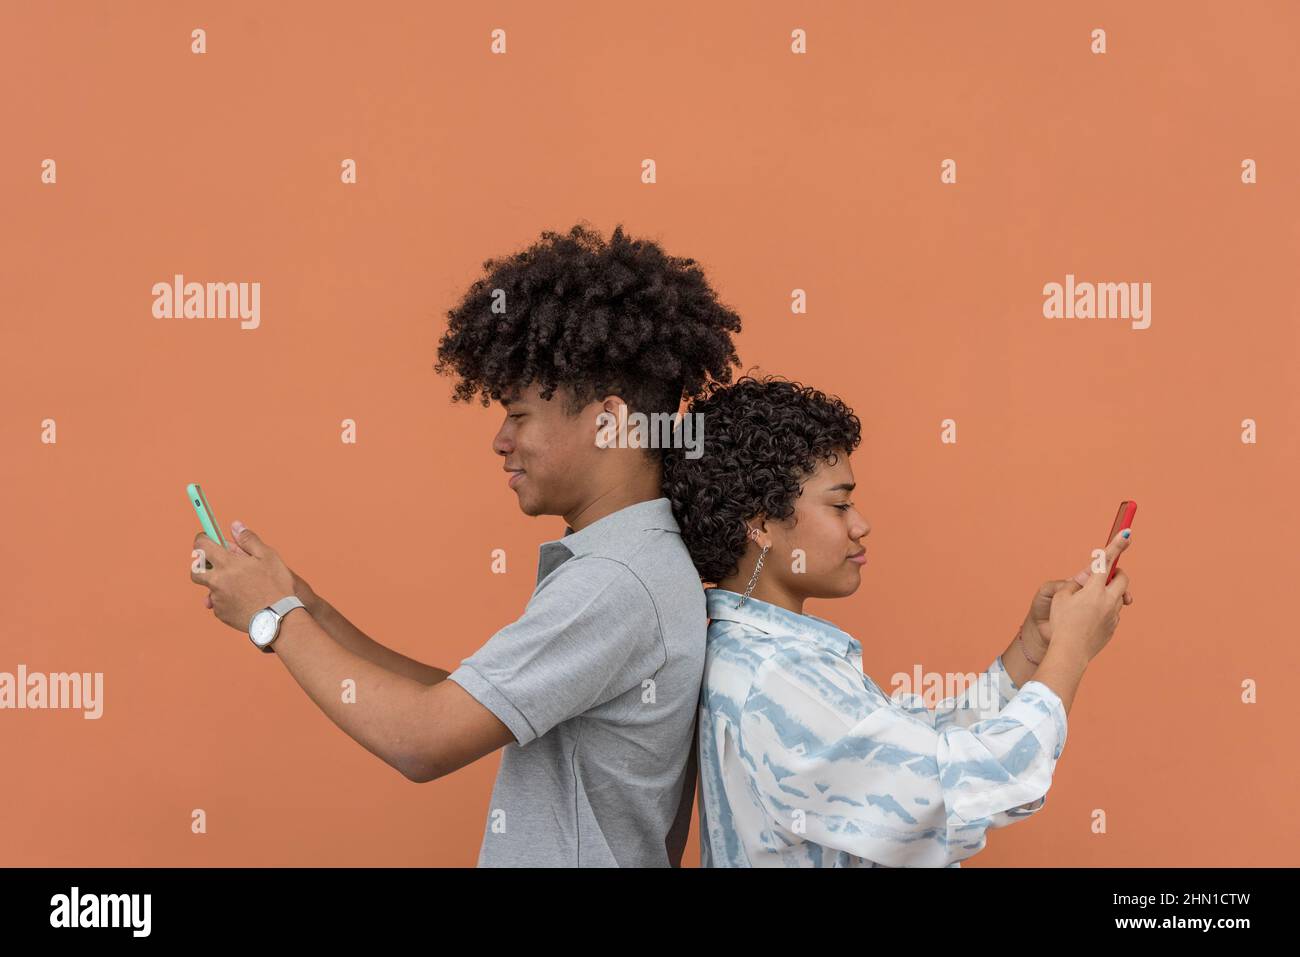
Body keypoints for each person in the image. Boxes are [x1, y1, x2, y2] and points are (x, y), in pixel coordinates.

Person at [190, 223, 742, 866]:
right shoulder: (626, 566)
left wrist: (272, 620)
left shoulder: (615, 583)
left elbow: (421, 741)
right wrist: (302, 604)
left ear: (610, 420)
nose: (500, 441)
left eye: (519, 414)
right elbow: (459, 702)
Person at [661, 374, 1134, 867]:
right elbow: (962, 785)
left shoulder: (755, 654)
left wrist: (1034, 647)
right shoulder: (775, 680)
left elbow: (917, 749)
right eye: (840, 504)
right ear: (760, 525)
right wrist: (1072, 652)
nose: (861, 524)